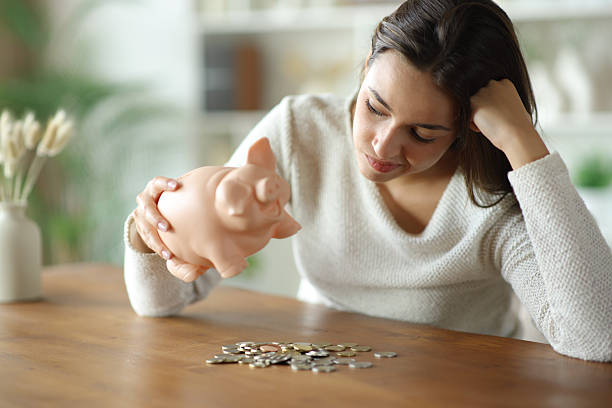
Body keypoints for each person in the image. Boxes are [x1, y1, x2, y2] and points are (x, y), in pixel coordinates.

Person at [123, 0, 612, 362]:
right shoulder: (299, 132)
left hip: (461, 385)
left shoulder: (495, 202)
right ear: (364, 69)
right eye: (374, 106)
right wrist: (149, 235)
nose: (381, 146)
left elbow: (597, 337)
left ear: (470, 127)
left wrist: (526, 146)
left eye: (421, 133)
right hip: (325, 370)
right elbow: (162, 301)